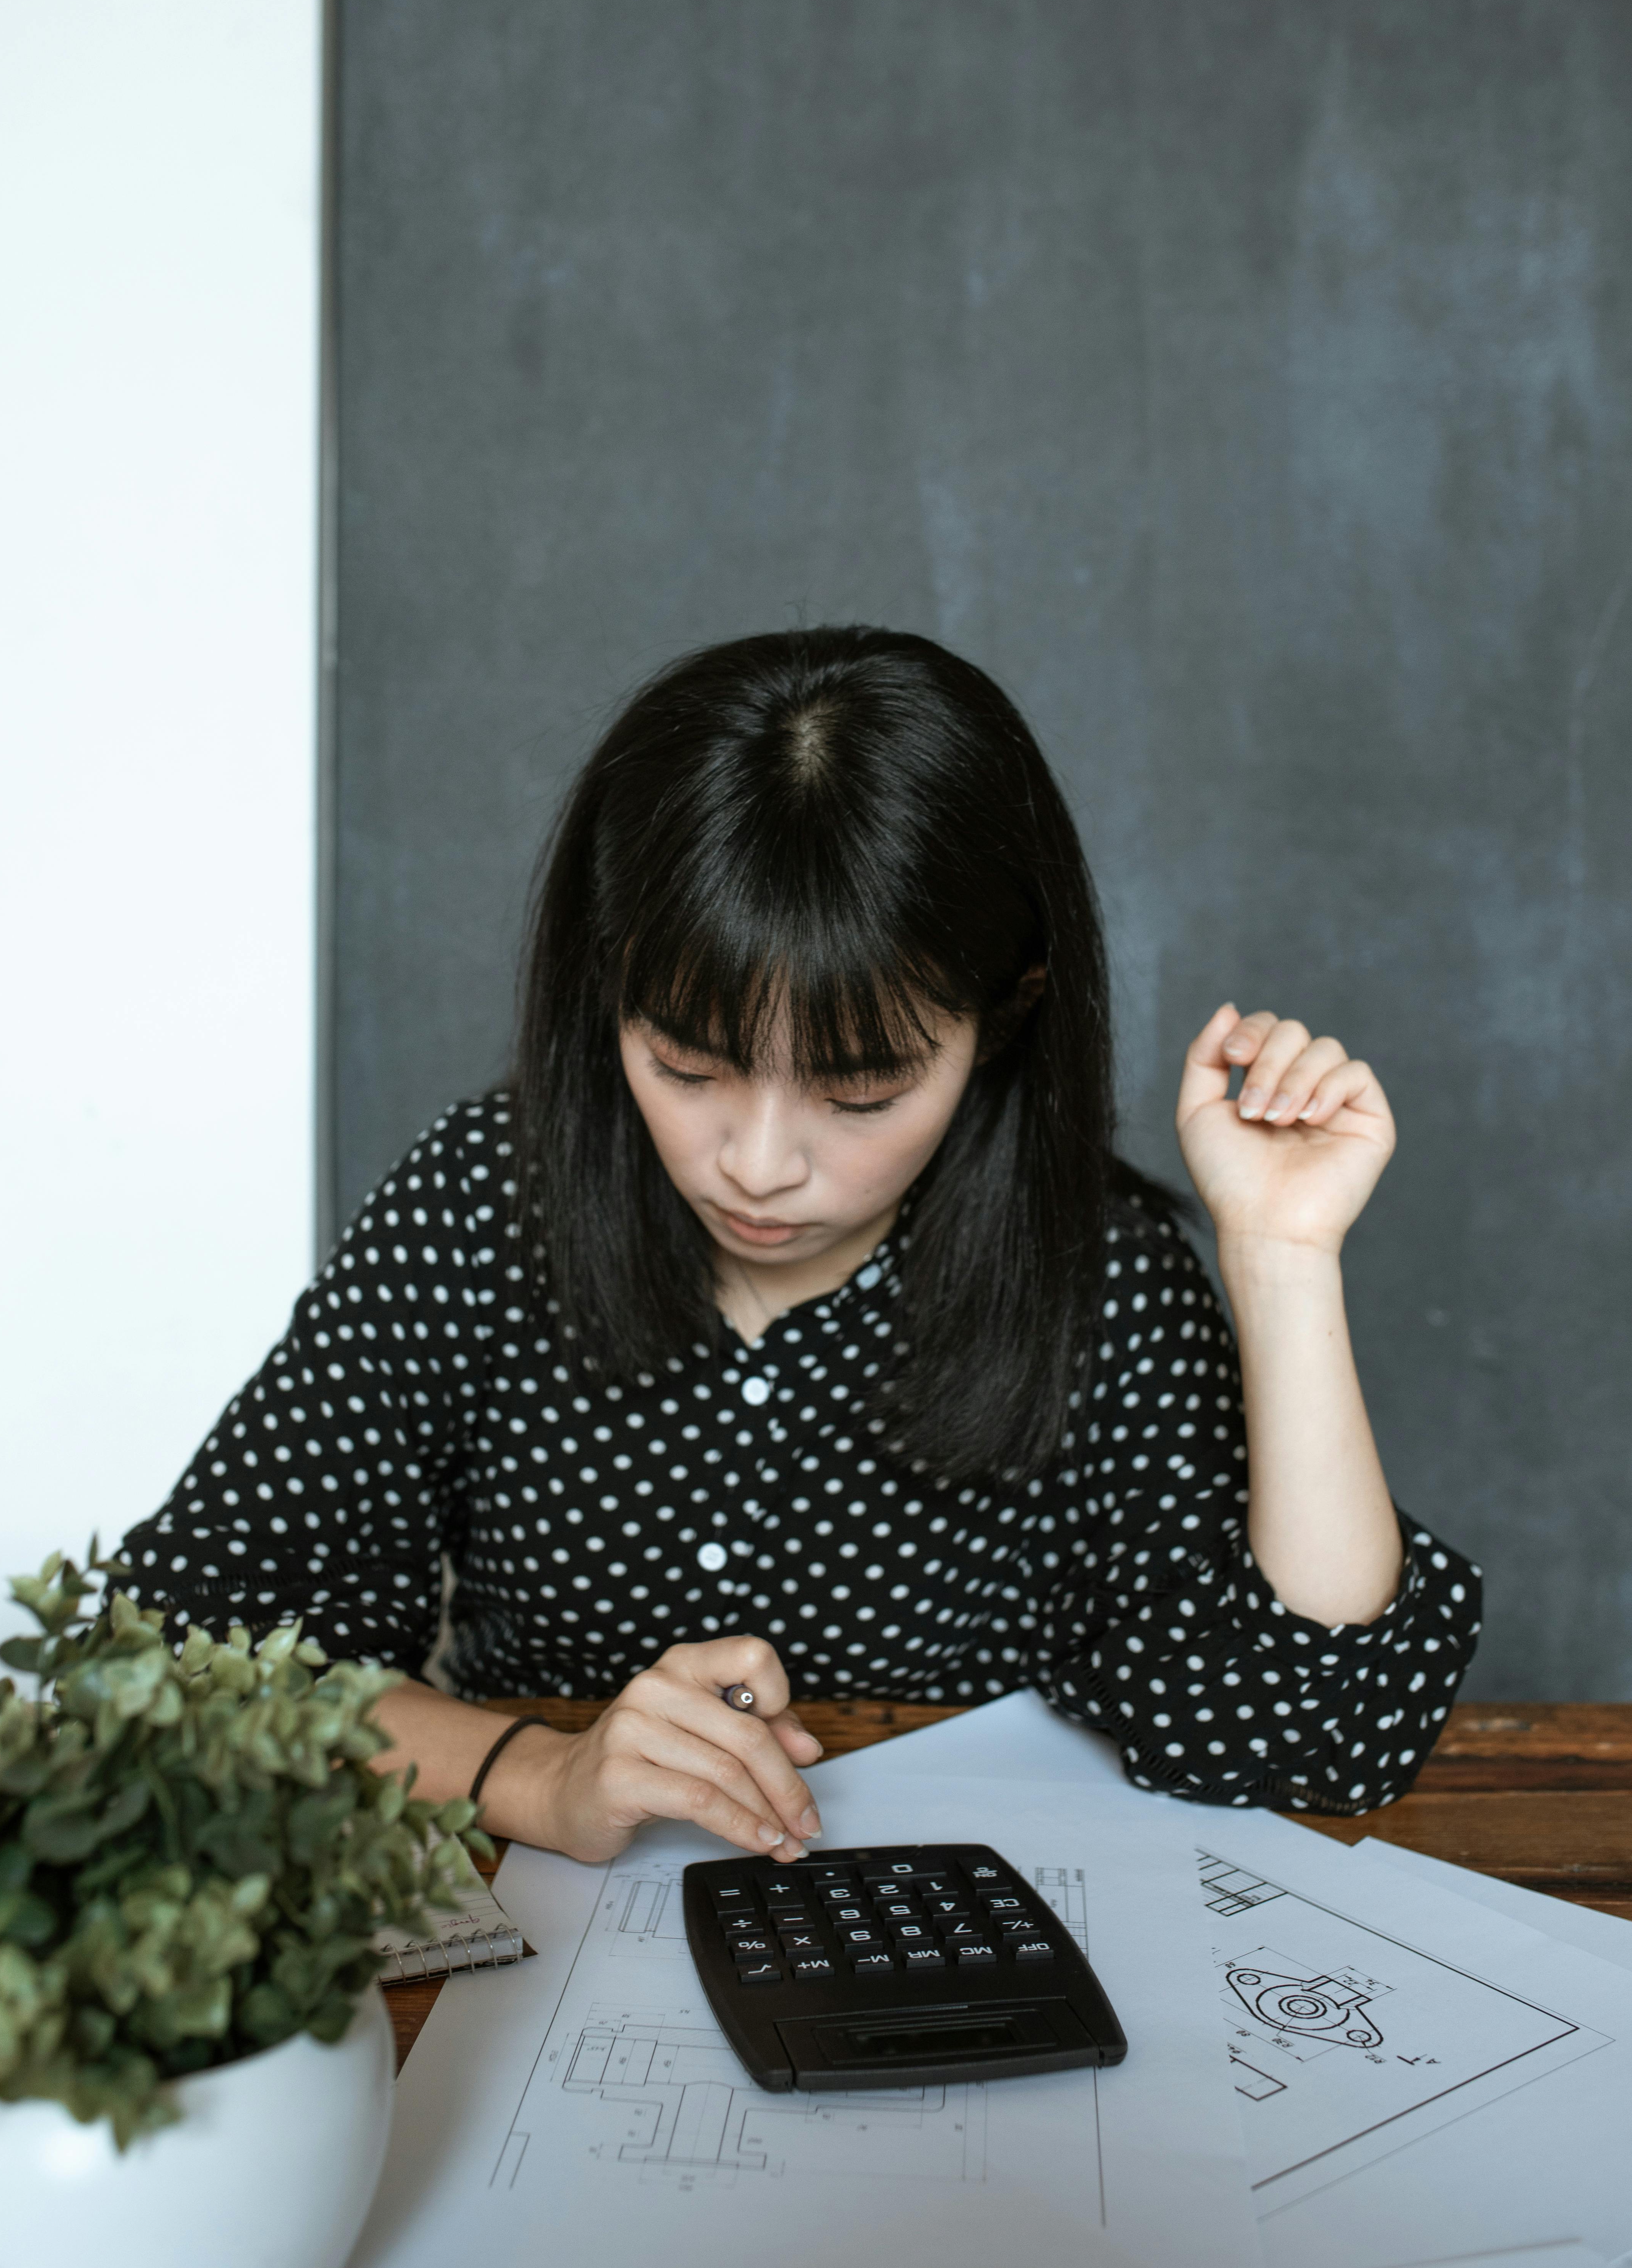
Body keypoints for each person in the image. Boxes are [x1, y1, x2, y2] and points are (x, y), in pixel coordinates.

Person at [121, 627, 1480, 1869]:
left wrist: (1284, 1254)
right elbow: (183, 1657)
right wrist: (539, 1776)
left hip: (950, 1950)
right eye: (686, 1064)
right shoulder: (490, 1199)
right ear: (608, 985)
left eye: (860, 1093)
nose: (758, 1161)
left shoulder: (1100, 1281)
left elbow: (1314, 1733)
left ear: (1002, 1017)